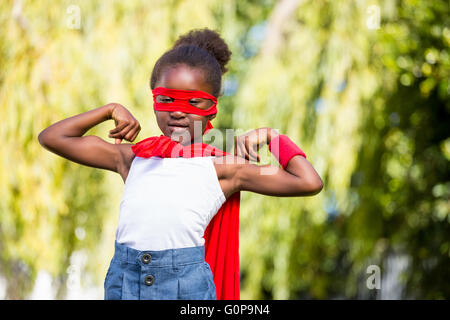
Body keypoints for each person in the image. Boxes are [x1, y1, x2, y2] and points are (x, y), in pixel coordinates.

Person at [38, 28, 323, 300]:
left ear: (213, 107)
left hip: (185, 286)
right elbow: (53, 137)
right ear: (154, 99)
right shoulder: (132, 157)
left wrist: (273, 137)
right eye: (165, 99)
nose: (176, 111)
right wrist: (109, 109)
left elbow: (307, 181)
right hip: (124, 280)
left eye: (193, 102)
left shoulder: (224, 168)